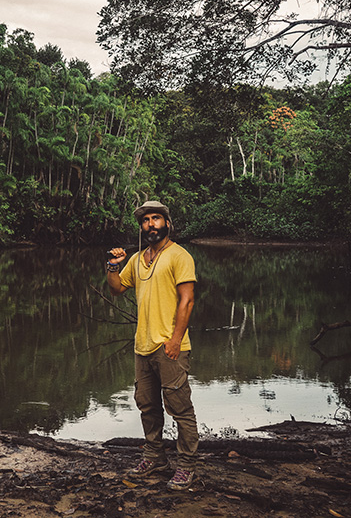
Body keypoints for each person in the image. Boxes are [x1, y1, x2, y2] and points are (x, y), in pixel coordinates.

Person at [106, 200, 198, 491]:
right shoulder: (137, 259)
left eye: (156, 219)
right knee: (147, 405)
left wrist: (174, 340)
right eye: (146, 221)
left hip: (170, 346)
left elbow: (188, 300)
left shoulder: (179, 256)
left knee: (180, 407)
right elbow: (118, 288)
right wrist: (112, 266)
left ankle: (186, 466)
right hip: (142, 347)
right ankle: (154, 457)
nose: (150, 225)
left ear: (167, 223)